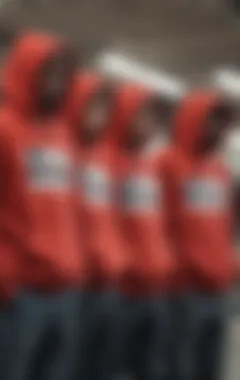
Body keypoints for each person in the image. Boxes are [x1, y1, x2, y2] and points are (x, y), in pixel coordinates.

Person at [0, 31, 84, 380]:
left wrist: (75, 265)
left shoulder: (62, 133)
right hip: (19, 294)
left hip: (65, 290)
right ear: (28, 72)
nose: (57, 84)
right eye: (49, 74)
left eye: (63, 75)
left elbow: (68, 209)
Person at [159, 91, 236, 380]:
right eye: (214, 121)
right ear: (196, 119)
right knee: (179, 367)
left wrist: (228, 267)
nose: (220, 131)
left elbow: (223, 229)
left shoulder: (220, 172)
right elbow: (159, 226)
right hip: (183, 291)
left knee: (211, 368)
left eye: (224, 124)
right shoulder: (166, 164)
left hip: (218, 291)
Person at [65, 72, 128, 380]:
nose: (98, 116)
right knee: (74, 365)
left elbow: (111, 217)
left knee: (104, 365)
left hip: (109, 283)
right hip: (77, 284)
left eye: (104, 109)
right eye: (92, 107)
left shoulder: (107, 157)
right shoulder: (63, 153)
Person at [111, 83, 174, 380]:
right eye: (142, 116)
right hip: (122, 293)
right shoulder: (108, 165)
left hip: (155, 290)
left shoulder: (149, 168)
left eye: (154, 119)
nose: (149, 125)